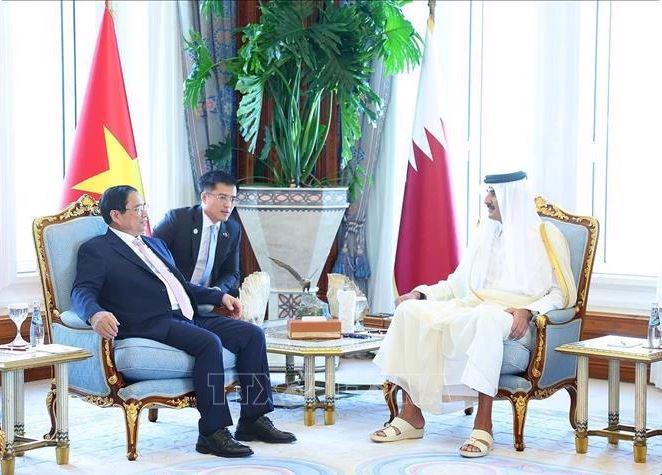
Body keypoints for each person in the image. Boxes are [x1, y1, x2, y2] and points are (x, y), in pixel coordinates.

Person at [71, 185, 295, 459]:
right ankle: (212, 433)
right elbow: (81, 291)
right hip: (150, 322)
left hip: (189, 314)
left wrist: (219, 296)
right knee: (208, 343)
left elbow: (181, 286)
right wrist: (95, 313)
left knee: (251, 335)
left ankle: (253, 420)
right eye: (138, 208)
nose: (145, 214)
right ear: (116, 215)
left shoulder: (154, 244)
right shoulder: (98, 250)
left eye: (144, 206)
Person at [369, 171, 576, 458]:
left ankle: (483, 425)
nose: (486, 199)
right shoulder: (485, 233)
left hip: (515, 316)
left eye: (492, 193)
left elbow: (560, 294)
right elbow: (457, 284)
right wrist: (421, 294)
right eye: (487, 192)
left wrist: (529, 310)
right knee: (411, 312)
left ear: (511, 197)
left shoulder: (545, 235)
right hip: (475, 305)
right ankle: (410, 416)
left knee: (486, 319)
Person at [153, 170, 241, 297]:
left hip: (210, 300)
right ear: (204, 197)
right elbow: (152, 256)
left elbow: (232, 271)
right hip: (174, 296)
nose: (228, 205)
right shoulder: (177, 220)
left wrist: (217, 292)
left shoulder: (233, 229)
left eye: (232, 199)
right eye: (222, 197)